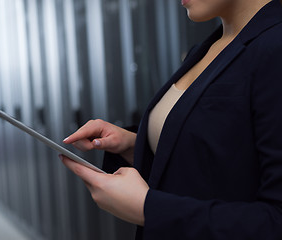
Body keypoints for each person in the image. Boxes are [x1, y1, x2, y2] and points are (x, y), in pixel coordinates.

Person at [60, 0, 282, 239]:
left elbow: (275, 221)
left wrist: (148, 208)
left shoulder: (275, 45)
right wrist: (135, 146)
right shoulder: (212, 45)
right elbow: (224, 163)